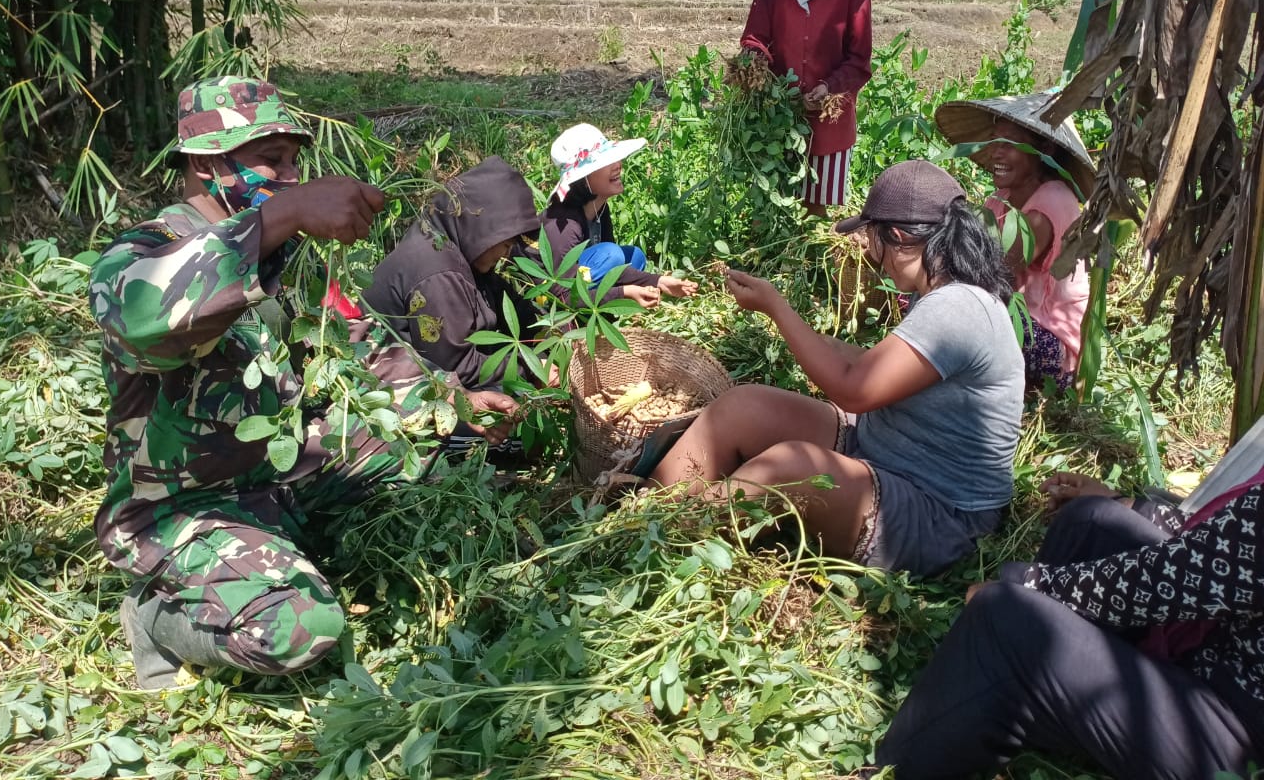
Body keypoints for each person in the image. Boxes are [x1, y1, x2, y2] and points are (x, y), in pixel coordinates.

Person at [90, 77, 517, 689]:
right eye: (272, 160)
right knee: (299, 626)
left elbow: (361, 347)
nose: (291, 176)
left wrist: (455, 398)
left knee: (435, 439)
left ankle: (285, 542)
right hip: (182, 508)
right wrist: (282, 215)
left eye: (295, 161)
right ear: (209, 161)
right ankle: (156, 617)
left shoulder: (283, 259)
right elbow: (138, 316)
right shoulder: (147, 254)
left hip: (279, 474)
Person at [650, 160, 1024, 576]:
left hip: (939, 515)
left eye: (871, 237)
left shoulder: (957, 307)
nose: (869, 252)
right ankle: (654, 500)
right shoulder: (938, 292)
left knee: (789, 468)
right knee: (742, 406)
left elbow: (852, 390)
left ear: (897, 238)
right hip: (879, 448)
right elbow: (869, 365)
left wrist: (777, 309)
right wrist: (809, 335)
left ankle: (667, 530)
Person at [873, 464, 1264, 779]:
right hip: (1222, 656)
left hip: (1241, 740)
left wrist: (1031, 585)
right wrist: (1125, 502)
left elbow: (1164, 583)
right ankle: (1010, 707)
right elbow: (1223, 547)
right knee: (1091, 521)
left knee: (1006, 619)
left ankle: (889, 771)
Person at [935, 91, 1096, 390]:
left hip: (1050, 343)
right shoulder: (1001, 198)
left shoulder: (1052, 201)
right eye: (995, 141)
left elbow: (992, 273)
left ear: (1044, 148)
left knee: (948, 311)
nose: (996, 152)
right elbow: (972, 248)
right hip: (1015, 316)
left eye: (1009, 144)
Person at [738, 0, 882, 213]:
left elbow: (858, 61)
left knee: (816, 213)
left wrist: (828, 87)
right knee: (770, 209)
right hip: (775, 120)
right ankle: (770, 265)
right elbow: (754, 39)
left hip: (830, 123)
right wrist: (756, 67)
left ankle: (814, 267)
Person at [364, 156, 543, 389]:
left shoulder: (451, 241)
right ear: (484, 232)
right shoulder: (438, 273)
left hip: (430, 371)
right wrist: (531, 368)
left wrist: (542, 333)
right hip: (396, 389)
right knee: (509, 402)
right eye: (506, 244)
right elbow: (457, 369)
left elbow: (501, 296)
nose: (505, 254)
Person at [541, 122, 696, 309]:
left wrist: (659, 281)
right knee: (611, 254)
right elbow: (561, 296)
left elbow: (614, 270)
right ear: (583, 178)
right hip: (550, 299)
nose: (617, 166)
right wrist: (624, 293)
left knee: (633, 256)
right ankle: (597, 311)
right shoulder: (564, 224)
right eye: (607, 162)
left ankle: (605, 305)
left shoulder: (600, 208)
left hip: (583, 277)